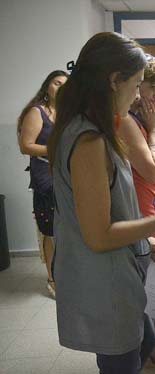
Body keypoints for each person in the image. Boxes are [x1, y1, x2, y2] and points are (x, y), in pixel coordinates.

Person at [48, 32, 155, 373]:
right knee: (122, 359)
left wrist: (143, 239)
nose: (139, 95)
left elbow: (112, 206)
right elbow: (98, 234)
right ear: (114, 81)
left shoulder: (97, 128)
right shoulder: (89, 139)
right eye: (137, 85)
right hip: (102, 277)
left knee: (146, 341)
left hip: (119, 265)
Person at [116, 55, 155, 370]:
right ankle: (151, 347)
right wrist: (154, 132)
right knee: (150, 277)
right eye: (153, 88)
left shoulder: (138, 116)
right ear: (136, 85)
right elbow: (151, 172)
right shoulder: (129, 121)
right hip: (144, 207)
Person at [17, 70, 68, 298]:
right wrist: (56, 150)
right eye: (56, 83)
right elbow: (26, 145)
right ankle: (52, 279)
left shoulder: (67, 113)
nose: (60, 88)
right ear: (47, 86)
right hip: (45, 176)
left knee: (68, 229)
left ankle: (68, 275)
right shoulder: (36, 111)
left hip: (66, 175)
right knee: (50, 231)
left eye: (65, 85)